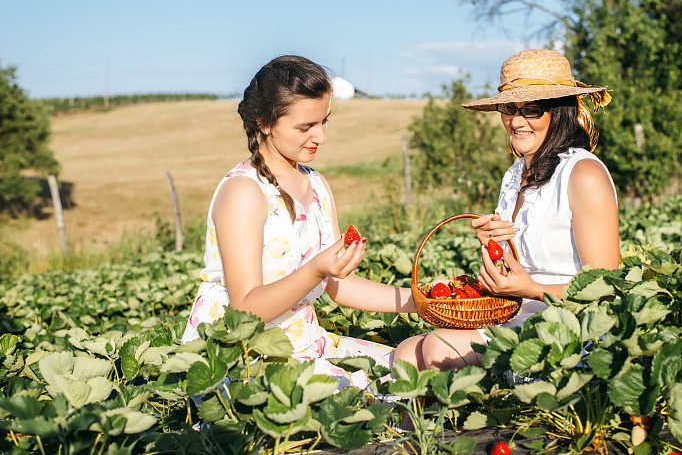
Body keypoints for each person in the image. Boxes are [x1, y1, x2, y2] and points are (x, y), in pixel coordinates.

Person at [182, 55, 417, 389]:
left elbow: (341, 286)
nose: (320, 136)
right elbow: (246, 308)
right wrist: (316, 270)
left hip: (304, 341)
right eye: (305, 127)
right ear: (264, 122)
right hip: (244, 358)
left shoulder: (316, 185)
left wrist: (419, 300)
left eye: (325, 121)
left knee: (412, 368)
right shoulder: (244, 191)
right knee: (375, 392)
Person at [393, 49, 620, 371]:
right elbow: (520, 265)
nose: (516, 121)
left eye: (532, 110)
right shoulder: (516, 173)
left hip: (569, 327)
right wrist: (492, 244)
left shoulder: (583, 173)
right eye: (508, 108)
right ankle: (427, 421)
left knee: (437, 346)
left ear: (561, 112)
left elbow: (608, 285)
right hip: (514, 318)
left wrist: (531, 289)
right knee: (406, 351)